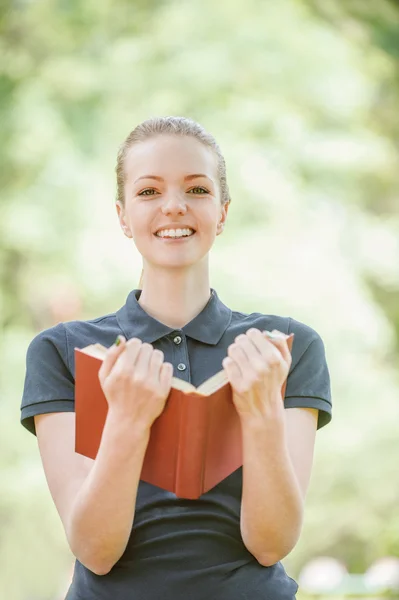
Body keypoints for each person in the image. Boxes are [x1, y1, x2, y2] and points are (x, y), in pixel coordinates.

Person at [20, 116, 333, 600]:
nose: (173, 206)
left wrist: (261, 413)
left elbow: (271, 545)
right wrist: (127, 421)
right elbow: (95, 550)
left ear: (223, 212)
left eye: (197, 189)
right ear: (122, 216)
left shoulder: (285, 347)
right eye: (148, 192)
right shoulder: (64, 351)